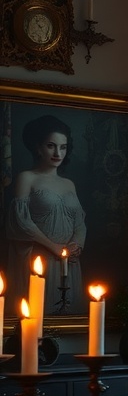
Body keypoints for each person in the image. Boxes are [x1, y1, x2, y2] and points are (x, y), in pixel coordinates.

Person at [6, 114, 86, 315]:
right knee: (39, 312)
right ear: (38, 147)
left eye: (63, 147)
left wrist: (76, 245)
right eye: (51, 146)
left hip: (69, 261)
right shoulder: (27, 178)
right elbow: (21, 222)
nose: (58, 153)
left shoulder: (69, 184)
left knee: (68, 311)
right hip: (40, 257)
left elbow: (79, 221)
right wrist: (55, 248)